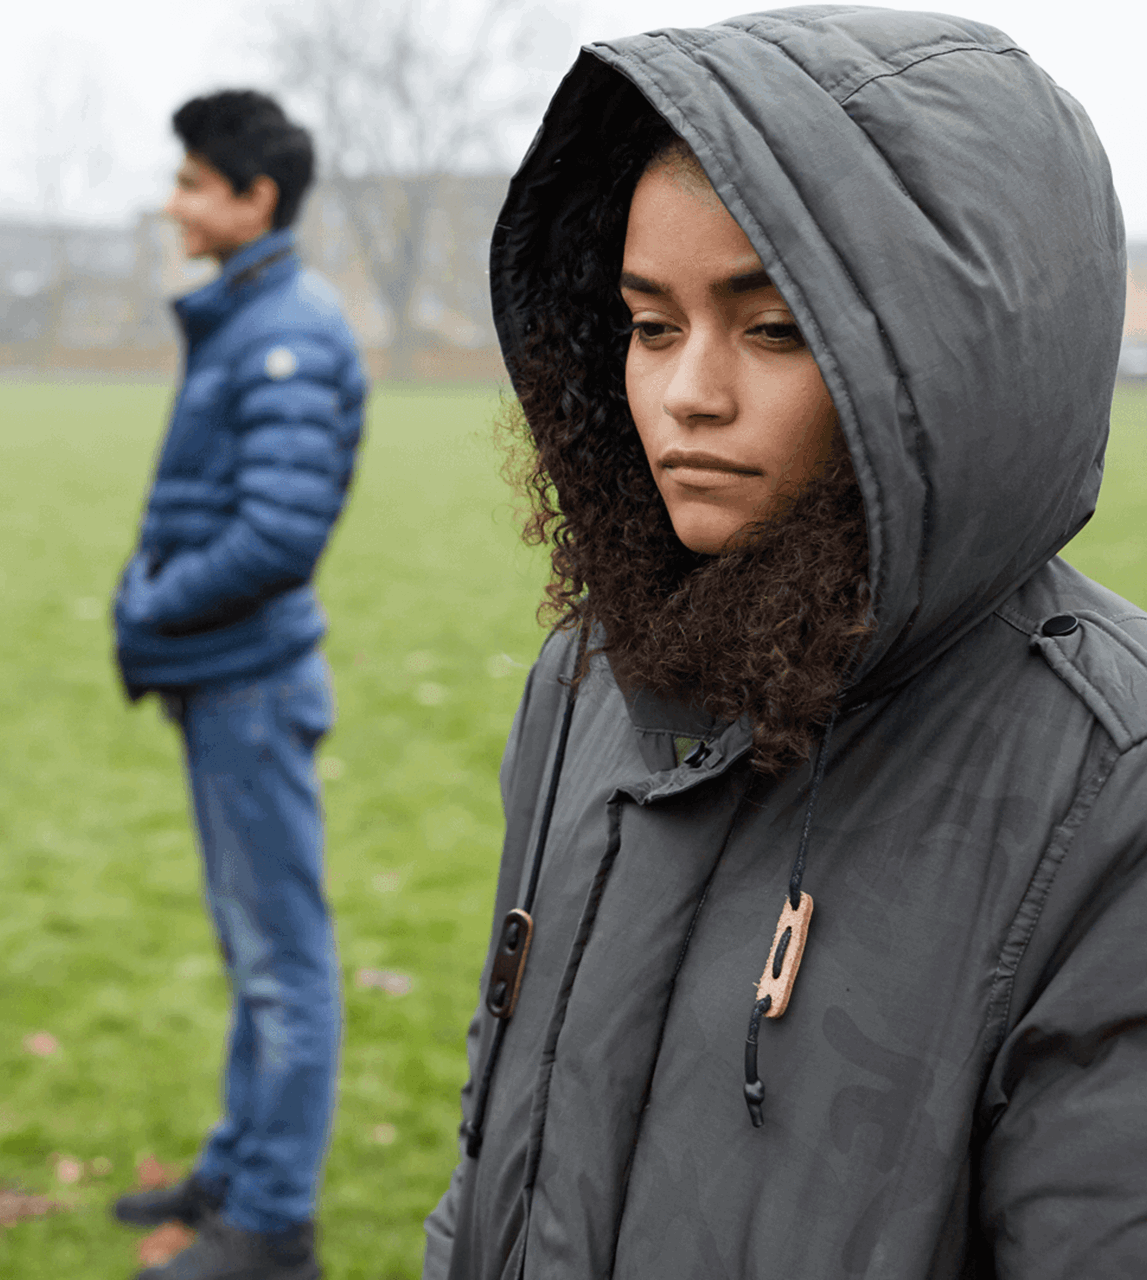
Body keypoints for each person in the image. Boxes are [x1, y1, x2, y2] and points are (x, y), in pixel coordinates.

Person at [424, 7, 1142, 1278]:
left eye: (774, 328)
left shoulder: (1109, 781)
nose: (689, 391)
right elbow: (491, 1156)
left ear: (949, 362)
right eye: (650, 325)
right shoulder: (592, 676)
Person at [111, 90, 366, 1280]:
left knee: (283, 961)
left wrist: (146, 603)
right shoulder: (250, 314)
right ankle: (233, 1167)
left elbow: (275, 533)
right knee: (251, 948)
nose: (176, 201)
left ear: (254, 198)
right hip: (224, 682)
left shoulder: (290, 334)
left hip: (251, 683)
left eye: (195, 182)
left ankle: (272, 1223)